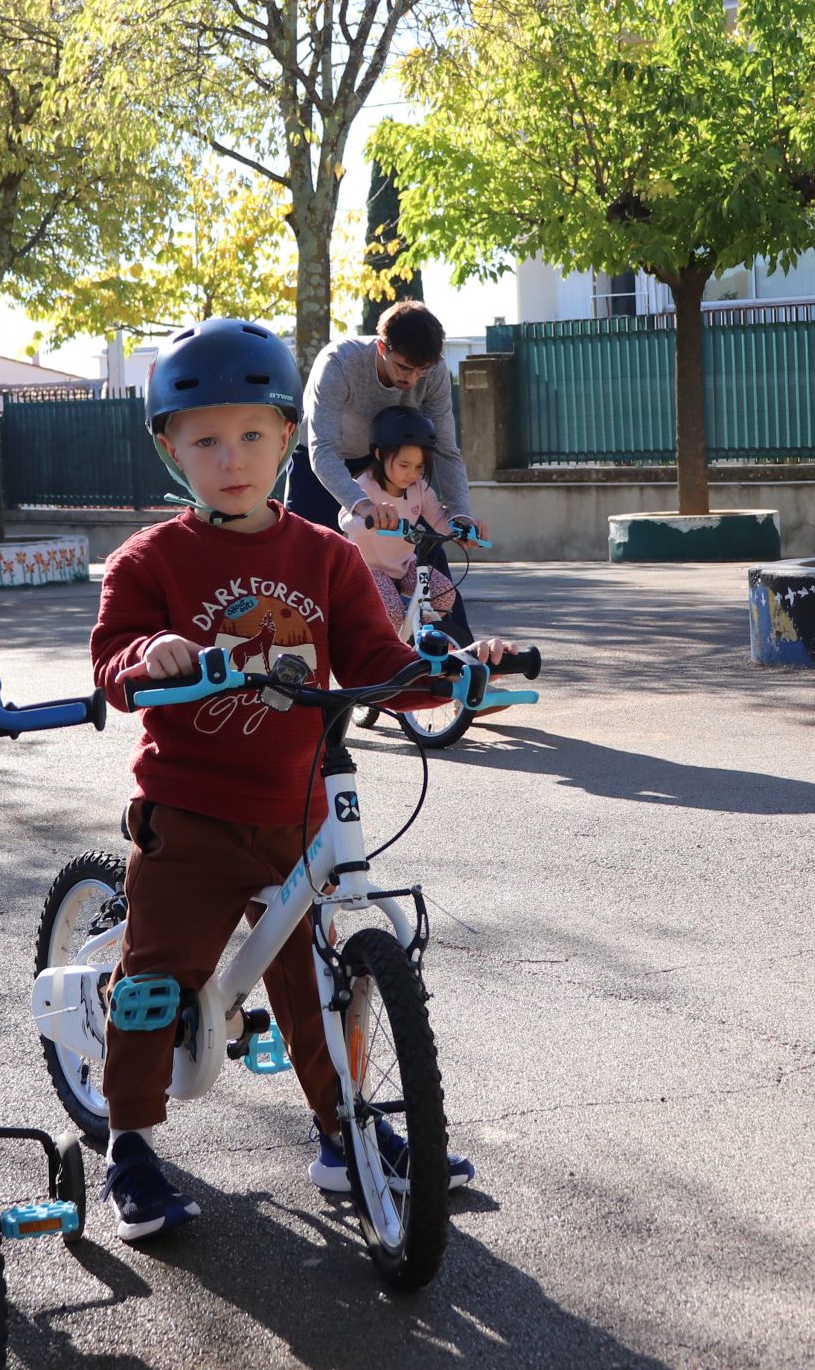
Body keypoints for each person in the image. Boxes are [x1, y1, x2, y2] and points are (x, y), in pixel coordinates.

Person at [88, 317, 508, 1242]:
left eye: (252, 435)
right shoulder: (150, 560)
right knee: (155, 978)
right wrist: (149, 654)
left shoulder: (324, 555)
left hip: (296, 810)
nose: (230, 458)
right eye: (205, 438)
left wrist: (460, 663)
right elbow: (112, 660)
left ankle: (341, 1130)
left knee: (314, 983)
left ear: (289, 438)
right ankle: (127, 1142)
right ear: (169, 447)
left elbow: (378, 655)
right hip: (189, 812)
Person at [295, 300, 485, 642]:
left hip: (389, 462)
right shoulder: (339, 362)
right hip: (325, 462)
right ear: (382, 347)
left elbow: (445, 449)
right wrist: (361, 504)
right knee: (300, 558)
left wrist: (461, 515)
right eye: (403, 368)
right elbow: (322, 449)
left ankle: (463, 665)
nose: (411, 380)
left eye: (421, 371)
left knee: (429, 552)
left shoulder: (434, 371)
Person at [342, 405, 462, 629]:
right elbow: (344, 521)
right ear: (379, 454)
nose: (412, 474)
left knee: (444, 596)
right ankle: (392, 645)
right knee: (392, 614)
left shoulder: (419, 489)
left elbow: (439, 520)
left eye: (419, 467)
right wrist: (371, 518)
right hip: (369, 568)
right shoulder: (365, 487)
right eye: (404, 465)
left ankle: (409, 635)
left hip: (405, 565)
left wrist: (463, 529)